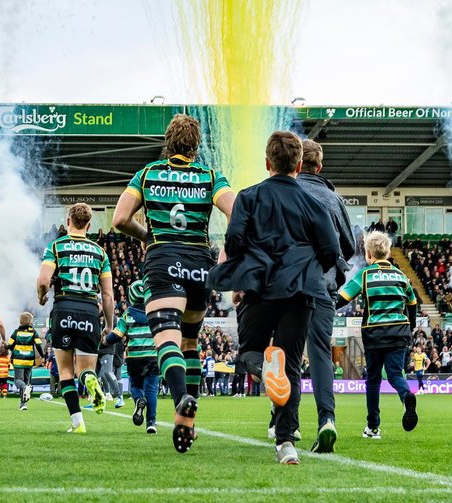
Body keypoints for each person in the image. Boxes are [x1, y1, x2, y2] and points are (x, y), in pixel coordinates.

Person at [209, 131, 338, 465]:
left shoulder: (248, 198)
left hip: (258, 288)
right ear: (299, 164)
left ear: (268, 163)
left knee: (250, 354)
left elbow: (235, 242)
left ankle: (268, 370)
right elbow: (331, 252)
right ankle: (286, 444)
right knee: (291, 366)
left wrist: (239, 279)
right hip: (301, 292)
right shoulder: (315, 203)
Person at [113, 114, 235, 453]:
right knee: (190, 342)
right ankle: (187, 420)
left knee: (166, 338)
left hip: (163, 260)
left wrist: (146, 234)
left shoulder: (148, 174)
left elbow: (120, 219)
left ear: (168, 141)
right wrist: (226, 249)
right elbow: (236, 210)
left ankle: (181, 397)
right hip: (200, 264)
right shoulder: (211, 176)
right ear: (196, 145)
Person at [38, 203, 115, 434]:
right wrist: (109, 324)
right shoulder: (100, 252)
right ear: (89, 225)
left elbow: (43, 281)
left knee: (65, 372)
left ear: (68, 220)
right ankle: (91, 381)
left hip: (63, 308)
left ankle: (78, 422)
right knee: (84, 370)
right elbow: (108, 294)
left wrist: (42, 297)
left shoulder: (56, 247)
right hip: (90, 311)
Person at [337, 232, 419, 441]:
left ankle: (373, 427)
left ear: (367, 254)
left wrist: (324, 302)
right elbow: (412, 304)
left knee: (373, 381)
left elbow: (343, 298)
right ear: (389, 252)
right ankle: (406, 395)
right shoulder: (401, 276)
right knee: (395, 375)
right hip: (399, 333)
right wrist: (409, 327)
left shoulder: (365, 275)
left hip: (375, 333)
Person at [105, 280, 158, 433]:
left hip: (134, 357)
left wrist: (105, 339)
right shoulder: (155, 313)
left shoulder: (128, 314)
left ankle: (138, 400)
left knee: (135, 386)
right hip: (152, 356)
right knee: (151, 390)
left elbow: (116, 335)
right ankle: (151, 423)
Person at [6, 312, 45, 411]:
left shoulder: (16, 332)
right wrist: (43, 355)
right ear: (31, 322)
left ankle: (25, 388)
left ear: (20, 321)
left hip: (18, 360)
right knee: (27, 382)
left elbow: (10, 346)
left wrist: (5, 346)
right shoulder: (33, 332)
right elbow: (38, 345)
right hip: (29, 360)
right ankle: (22, 405)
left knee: (18, 381)